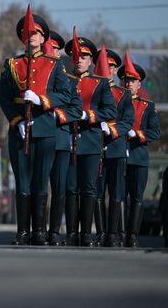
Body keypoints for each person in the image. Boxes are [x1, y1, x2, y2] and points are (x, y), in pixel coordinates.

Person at [0, 9, 71, 246]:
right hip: (20, 130)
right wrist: (16, 121)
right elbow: (4, 97)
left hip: (45, 128)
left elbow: (66, 94)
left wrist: (43, 100)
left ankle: (39, 230)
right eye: (27, 33)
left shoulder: (54, 65)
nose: (31, 37)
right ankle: (23, 232)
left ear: (43, 38)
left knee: (41, 181)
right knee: (23, 181)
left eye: (36, 33)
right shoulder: (13, 64)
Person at [64, 33, 116, 247]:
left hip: (91, 140)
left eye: (84, 56)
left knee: (88, 188)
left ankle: (86, 234)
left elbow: (110, 110)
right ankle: (71, 234)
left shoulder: (100, 83)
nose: (79, 59)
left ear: (91, 60)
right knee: (70, 188)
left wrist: (89, 116)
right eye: (76, 55)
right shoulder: (64, 79)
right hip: (67, 140)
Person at [92, 47, 134, 247]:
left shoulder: (123, 94)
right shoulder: (91, 89)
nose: (105, 69)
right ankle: (100, 233)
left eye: (110, 67)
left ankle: (113, 234)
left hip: (116, 148)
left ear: (114, 70)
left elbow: (128, 121)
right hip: (94, 147)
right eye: (102, 65)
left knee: (116, 192)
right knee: (97, 192)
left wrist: (111, 129)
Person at [118, 55, 161, 247]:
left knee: (136, 197)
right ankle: (117, 233)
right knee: (119, 197)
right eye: (126, 79)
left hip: (138, 157)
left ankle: (132, 235)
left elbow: (155, 132)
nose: (128, 83)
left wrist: (137, 134)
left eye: (132, 80)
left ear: (139, 83)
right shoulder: (114, 102)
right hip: (118, 156)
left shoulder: (147, 106)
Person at [47, 31, 83, 246]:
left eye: (54, 50)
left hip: (60, 137)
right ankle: (37, 230)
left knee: (59, 187)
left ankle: (54, 231)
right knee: (39, 186)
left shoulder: (69, 81)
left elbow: (76, 108)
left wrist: (58, 115)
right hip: (38, 137)